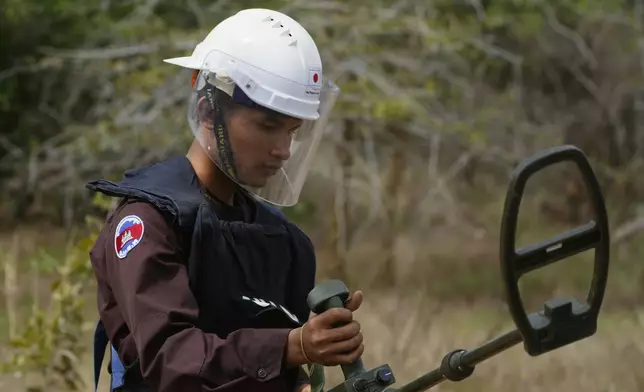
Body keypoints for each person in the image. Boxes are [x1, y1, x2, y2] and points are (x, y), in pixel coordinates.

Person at [87, 8, 365, 392]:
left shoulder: (286, 242)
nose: (283, 150)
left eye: (293, 131)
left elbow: (272, 367)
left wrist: (304, 374)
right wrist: (292, 346)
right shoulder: (149, 223)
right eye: (268, 126)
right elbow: (170, 358)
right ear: (207, 111)